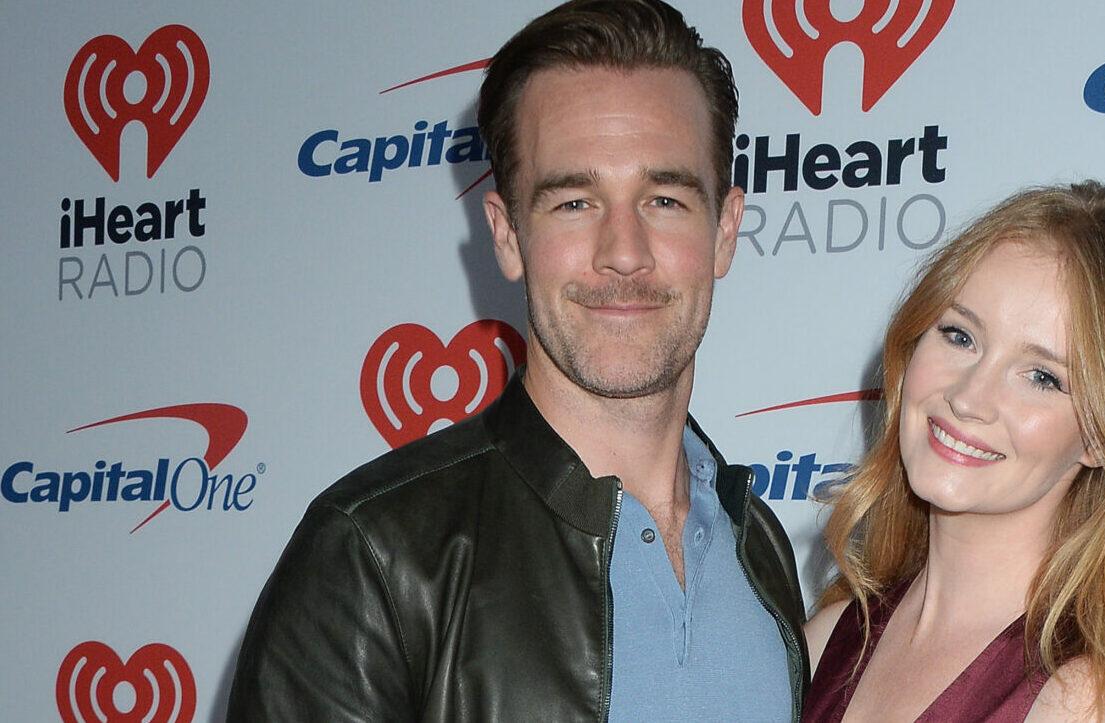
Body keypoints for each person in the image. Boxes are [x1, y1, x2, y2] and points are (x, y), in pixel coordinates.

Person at [227, 2, 808, 720]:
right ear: (506, 235)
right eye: (573, 202)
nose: (622, 251)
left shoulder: (760, 548)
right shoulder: (372, 558)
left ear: (723, 230)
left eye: (663, 198)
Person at [801, 182, 1105, 722]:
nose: (969, 398)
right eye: (960, 336)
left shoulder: (1087, 704)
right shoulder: (830, 641)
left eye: (1043, 377)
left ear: (1102, 437)